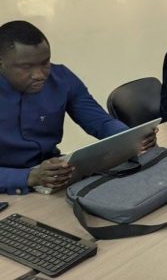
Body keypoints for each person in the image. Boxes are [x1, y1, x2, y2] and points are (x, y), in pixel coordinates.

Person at [0, 21, 156, 195]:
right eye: (26, 67)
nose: (39, 75)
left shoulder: (62, 79)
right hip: (9, 189)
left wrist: (131, 138)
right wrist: (29, 176)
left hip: (55, 178)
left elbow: (101, 122)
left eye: (45, 63)